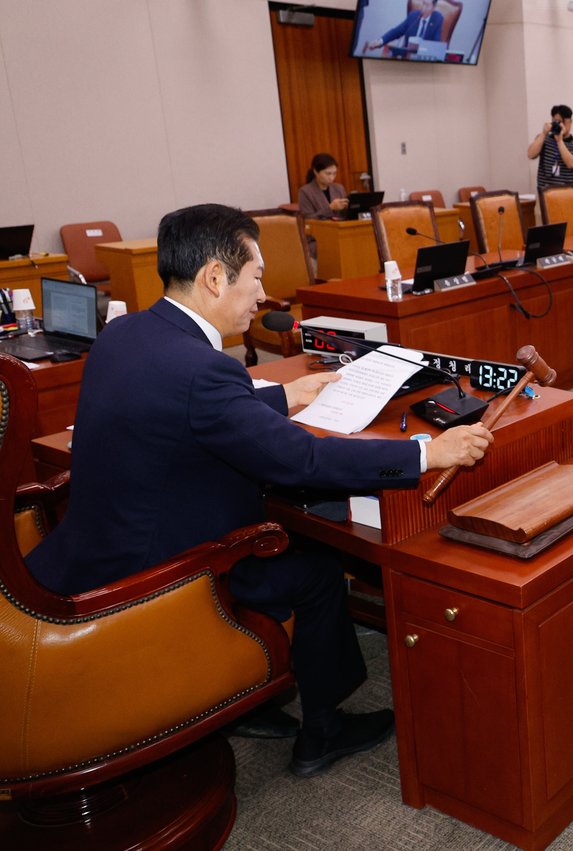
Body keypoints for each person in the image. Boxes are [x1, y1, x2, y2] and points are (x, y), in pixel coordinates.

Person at [25, 203, 496, 776]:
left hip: (92, 547)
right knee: (318, 569)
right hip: (161, 574)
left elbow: (182, 409)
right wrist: (428, 452)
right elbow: (302, 459)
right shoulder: (205, 371)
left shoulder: (127, 332)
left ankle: (248, 704)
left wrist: (282, 396)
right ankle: (323, 728)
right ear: (215, 278)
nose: (262, 294)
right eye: (256, 277)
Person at [526, 104, 573, 197]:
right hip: (545, 195)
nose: (560, 125)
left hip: (567, 196)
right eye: (556, 122)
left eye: (563, 122)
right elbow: (530, 155)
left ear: (570, 122)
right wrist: (544, 133)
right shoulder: (544, 139)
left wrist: (559, 141)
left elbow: (571, 164)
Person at [364, 0, 445, 56]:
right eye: (423, 3)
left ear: (434, 7)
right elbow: (397, 31)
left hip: (425, 58)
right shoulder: (413, 16)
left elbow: (435, 44)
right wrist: (380, 41)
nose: (423, 8)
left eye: (427, 5)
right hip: (407, 56)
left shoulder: (438, 19)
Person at [297, 153, 349, 220]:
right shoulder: (305, 191)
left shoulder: (339, 188)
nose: (332, 178)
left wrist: (349, 207)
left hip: (341, 228)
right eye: (328, 174)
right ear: (316, 172)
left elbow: (345, 215)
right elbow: (308, 218)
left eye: (334, 173)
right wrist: (330, 208)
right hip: (320, 229)